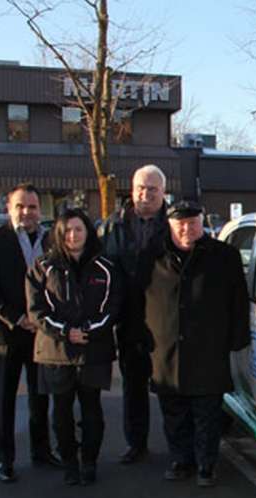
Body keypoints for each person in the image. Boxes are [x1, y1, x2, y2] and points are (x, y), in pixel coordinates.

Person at [139, 201, 249, 487]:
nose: (187, 229)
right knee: (173, 412)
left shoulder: (225, 256)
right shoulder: (152, 257)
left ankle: (206, 465)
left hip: (209, 347)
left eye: (193, 223)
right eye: (181, 224)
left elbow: (238, 300)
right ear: (170, 225)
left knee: (207, 412)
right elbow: (136, 301)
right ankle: (180, 460)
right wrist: (139, 339)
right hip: (165, 347)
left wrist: (237, 339)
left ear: (202, 223)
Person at [27, 209, 121, 485]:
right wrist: (67, 332)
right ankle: (69, 462)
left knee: (92, 409)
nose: (73, 235)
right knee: (61, 412)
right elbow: (37, 311)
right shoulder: (43, 267)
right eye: (67, 230)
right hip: (56, 353)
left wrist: (87, 331)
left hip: (94, 350)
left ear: (88, 232)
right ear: (58, 233)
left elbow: (113, 307)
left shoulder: (107, 267)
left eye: (78, 229)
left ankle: (89, 461)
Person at [0, 183, 59, 483]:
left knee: (40, 397)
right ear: (9, 208)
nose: (27, 212)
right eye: (20, 206)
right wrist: (18, 318)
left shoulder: (50, 241)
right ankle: (4, 460)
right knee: (4, 401)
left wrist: (44, 319)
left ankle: (42, 451)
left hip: (40, 336)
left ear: (41, 210)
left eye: (33, 207)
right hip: (4, 336)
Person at [100, 164, 169, 464]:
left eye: (152, 189)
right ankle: (136, 443)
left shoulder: (174, 227)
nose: (145, 194)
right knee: (133, 386)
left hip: (165, 320)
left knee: (170, 386)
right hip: (127, 319)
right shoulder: (110, 227)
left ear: (163, 193)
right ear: (131, 190)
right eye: (141, 187)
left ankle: (179, 448)